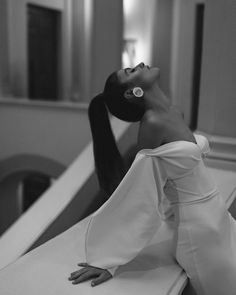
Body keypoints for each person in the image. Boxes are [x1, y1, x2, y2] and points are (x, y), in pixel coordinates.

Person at [68, 63, 236, 294]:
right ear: (131, 92)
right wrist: (109, 259)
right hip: (199, 230)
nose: (138, 64)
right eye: (130, 71)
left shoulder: (175, 112)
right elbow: (139, 190)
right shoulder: (152, 125)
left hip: (217, 216)